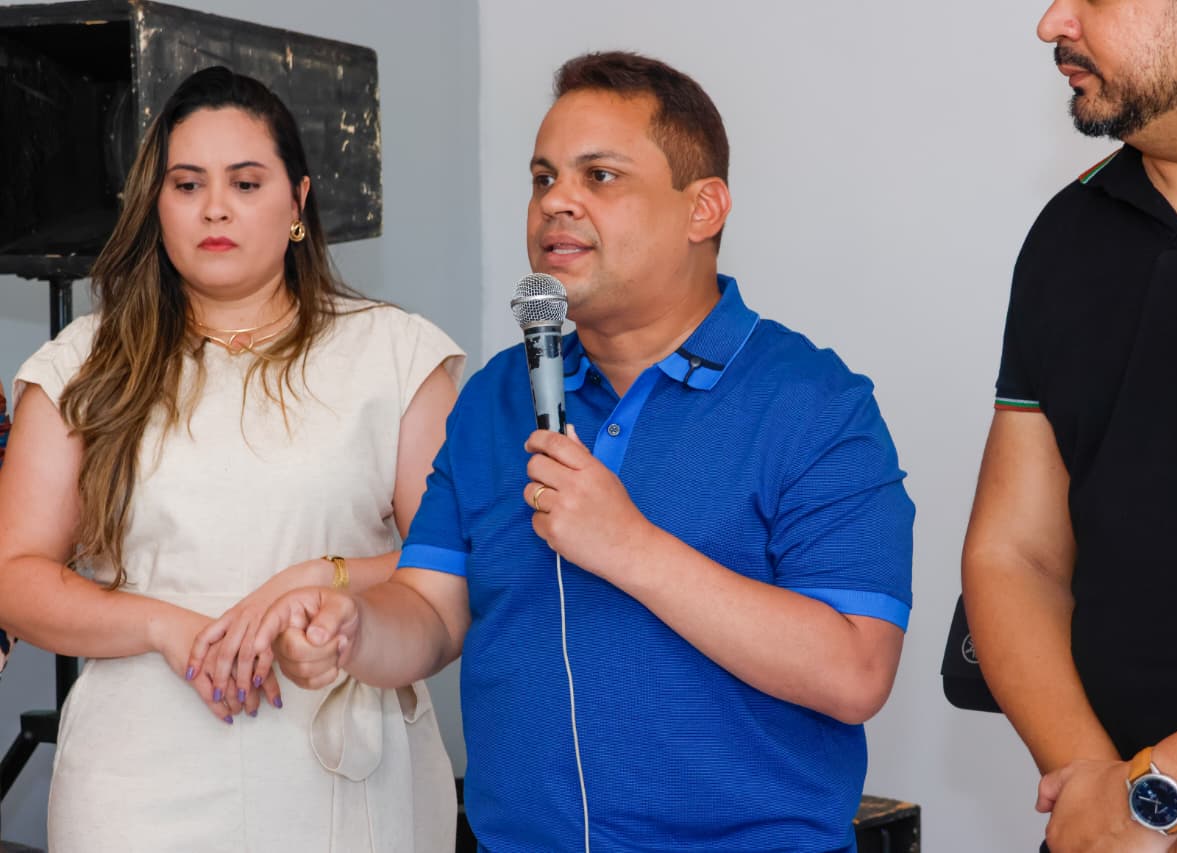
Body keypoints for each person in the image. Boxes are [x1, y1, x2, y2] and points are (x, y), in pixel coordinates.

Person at [254, 51, 914, 851]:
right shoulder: (497, 397)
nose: (555, 202)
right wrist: (354, 629)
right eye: (543, 178)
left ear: (703, 208)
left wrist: (628, 545)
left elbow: (855, 670)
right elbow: (429, 609)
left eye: (599, 176)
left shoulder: (814, 403)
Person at [0, 66, 463, 851]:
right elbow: (14, 575)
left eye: (246, 183)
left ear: (298, 201)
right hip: (141, 770)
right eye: (187, 185)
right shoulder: (82, 364)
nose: (215, 207)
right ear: (156, 205)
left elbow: (454, 568)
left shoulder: (394, 353)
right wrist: (165, 626)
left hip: (340, 757)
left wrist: (323, 580)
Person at [961, 0, 1177, 849]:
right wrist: (1110, 802)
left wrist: (1161, 792)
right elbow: (1014, 555)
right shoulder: (1067, 232)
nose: (1052, 23)